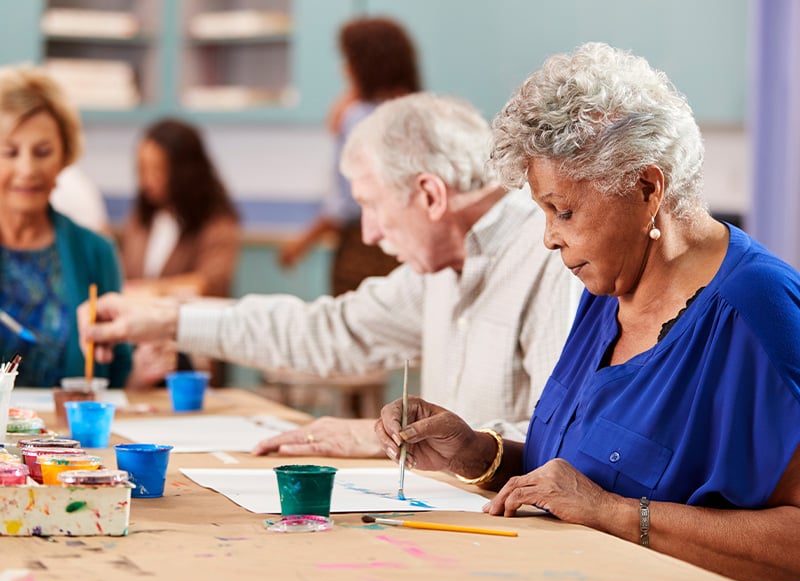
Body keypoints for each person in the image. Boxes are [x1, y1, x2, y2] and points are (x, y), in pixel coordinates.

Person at [375, 43, 800, 581]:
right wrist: (478, 453)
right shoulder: (607, 289)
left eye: (564, 211)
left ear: (649, 189)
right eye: (544, 212)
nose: (549, 237)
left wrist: (617, 515)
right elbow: (582, 476)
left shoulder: (758, 309)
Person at [78, 92, 581, 456]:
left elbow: (556, 437)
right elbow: (328, 330)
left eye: (370, 204)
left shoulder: (551, 261)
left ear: (430, 195)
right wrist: (167, 320)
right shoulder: (439, 269)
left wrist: (381, 436)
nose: (368, 233)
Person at [0, 65, 131, 387]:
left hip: (69, 437)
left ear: (64, 158)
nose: (27, 169)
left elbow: (119, 376)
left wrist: (147, 370)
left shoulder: (95, 252)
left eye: (43, 152)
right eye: (10, 152)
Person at [278, 16, 421, 296]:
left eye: (348, 59)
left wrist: (303, 241)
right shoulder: (418, 111)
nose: (343, 68)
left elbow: (348, 202)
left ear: (365, 65)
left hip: (362, 250)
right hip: (409, 246)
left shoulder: (357, 117)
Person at [119, 118, 241, 389]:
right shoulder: (142, 220)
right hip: (141, 353)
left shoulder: (217, 222)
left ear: (184, 171)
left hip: (189, 356)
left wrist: (147, 291)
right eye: (142, 169)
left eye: (157, 170)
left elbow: (208, 283)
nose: (147, 180)